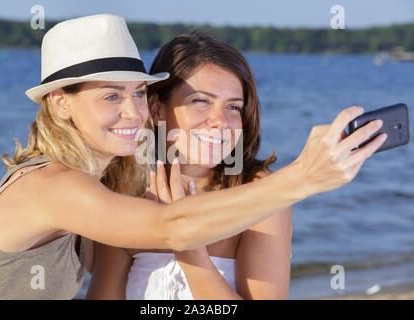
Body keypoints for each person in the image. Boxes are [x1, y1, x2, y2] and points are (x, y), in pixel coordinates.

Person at [0, 15, 386, 300]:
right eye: (112, 95)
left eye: (136, 94)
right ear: (59, 102)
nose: (133, 111)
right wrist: (306, 176)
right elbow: (172, 227)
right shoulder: (54, 186)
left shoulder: (109, 186)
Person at [85, 31, 388, 300]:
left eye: (233, 107)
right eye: (201, 101)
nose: (221, 121)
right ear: (156, 108)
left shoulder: (260, 192)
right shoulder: (126, 188)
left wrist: (188, 246)